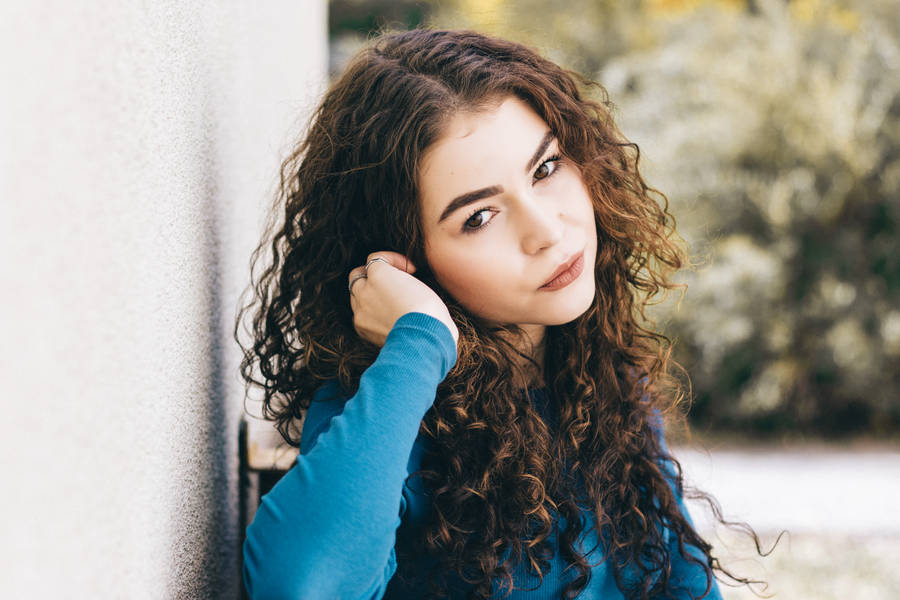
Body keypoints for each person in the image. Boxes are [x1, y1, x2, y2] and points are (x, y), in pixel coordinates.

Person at [237, 28, 758, 600]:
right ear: (401, 261)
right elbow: (301, 586)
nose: (545, 230)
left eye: (546, 167)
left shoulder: (596, 379)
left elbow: (683, 586)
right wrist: (420, 341)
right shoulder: (388, 414)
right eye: (479, 216)